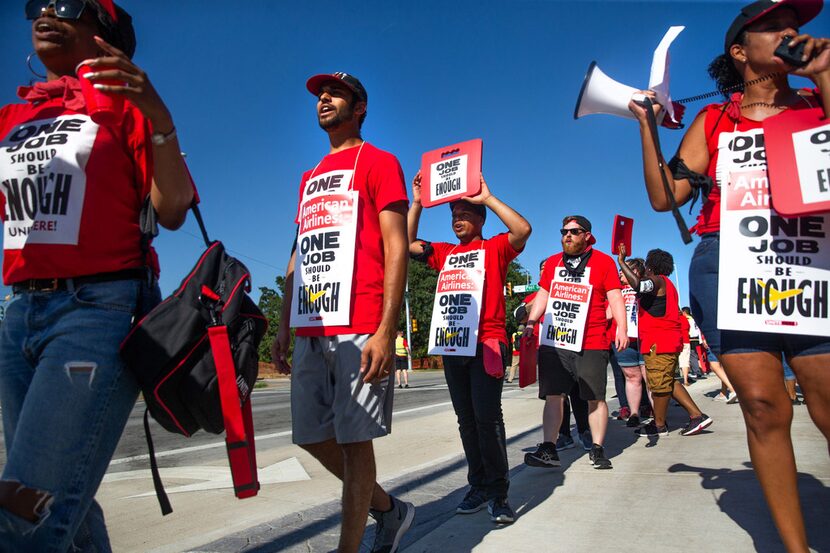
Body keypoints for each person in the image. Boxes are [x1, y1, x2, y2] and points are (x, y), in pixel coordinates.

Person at [629, 1, 828, 542]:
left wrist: (826, 77)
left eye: (797, 27)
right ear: (740, 51)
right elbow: (664, 196)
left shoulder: (818, 102)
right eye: (775, 28)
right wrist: (647, 130)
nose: (793, 34)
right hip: (731, 266)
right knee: (764, 407)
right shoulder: (714, 120)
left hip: (811, 260)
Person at [0, 1, 194, 549]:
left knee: (26, 513)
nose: (44, 12)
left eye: (66, 6)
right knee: (69, 511)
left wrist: (158, 115)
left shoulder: (125, 109)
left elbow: (173, 208)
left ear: (105, 36)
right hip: (18, 317)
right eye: (36, 5)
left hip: (96, 312)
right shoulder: (15, 117)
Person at [271, 71, 413, 553]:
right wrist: (284, 324)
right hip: (311, 323)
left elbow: (396, 246)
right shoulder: (308, 177)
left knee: (356, 446)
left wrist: (385, 328)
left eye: (335, 93)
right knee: (310, 436)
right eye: (319, 95)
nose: (324, 99)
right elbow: (299, 250)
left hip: (360, 324)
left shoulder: (379, 162)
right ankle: (390, 511)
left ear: (360, 107)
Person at [409, 171, 531, 524]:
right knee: (466, 421)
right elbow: (404, 241)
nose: (457, 220)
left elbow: (522, 230)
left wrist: (488, 197)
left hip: (487, 344)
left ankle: (498, 493)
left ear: (479, 218)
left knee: (487, 419)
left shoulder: (494, 248)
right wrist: (417, 201)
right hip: (452, 346)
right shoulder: (445, 253)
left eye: (464, 214)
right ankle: (477, 486)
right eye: (452, 216)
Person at [524, 216, 628, 470]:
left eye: (574, 231)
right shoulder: (552, 263)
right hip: (555, 339)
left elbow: (615, 298)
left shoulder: (603, 262)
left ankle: (597, 447)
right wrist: (531, 322)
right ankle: (549, 448)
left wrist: (622, 328)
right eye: (564, 231)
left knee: (595, 397)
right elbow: (544, 294)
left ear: (587, 236)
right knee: (553, 395)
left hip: (592, 340)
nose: (567, 235)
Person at [618, 248, 714, 437]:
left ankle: (659, 424)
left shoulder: (657, 280)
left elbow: (637, 285)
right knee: (669, 382)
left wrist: (621, 261)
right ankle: (696, 416)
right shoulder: (666, 283)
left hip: (658, 341)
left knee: (660, 385)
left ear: (651, 265)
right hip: (666, 340)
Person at [613, 257, 651, 428]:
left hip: (644, 338)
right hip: (625, 340)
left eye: (625, 268)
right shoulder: (617, 291)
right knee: (631, 377)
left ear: (635, 271)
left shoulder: (646, 286)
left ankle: (658, 415)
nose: (620, 272)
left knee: (648, 378)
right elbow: (606, 312)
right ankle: (634, 413)